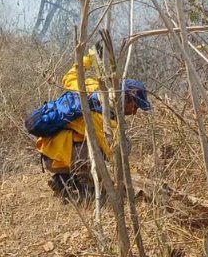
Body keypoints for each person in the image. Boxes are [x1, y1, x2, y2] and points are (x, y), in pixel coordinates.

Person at [36, 52, 151, 203]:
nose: (135, 112)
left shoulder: (90, 88)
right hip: (57, 158)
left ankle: (62, 181)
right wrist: (133, 175)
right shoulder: (103, 119)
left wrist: (89, 58)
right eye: (135, 106)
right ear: (125, 99)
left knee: (91, 148)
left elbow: (69, 77)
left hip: (49, 150)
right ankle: (86, 194)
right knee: (98, 158)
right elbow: (113, 155)